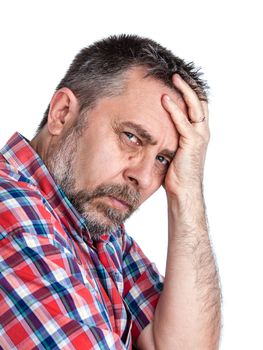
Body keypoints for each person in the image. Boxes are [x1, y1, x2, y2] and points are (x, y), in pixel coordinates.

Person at [0, 34, 221, 349]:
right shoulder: (10, 214)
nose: (144, 178)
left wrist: (187, 191)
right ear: (62, 114)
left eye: (163, 159)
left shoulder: (99, 231)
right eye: (131, 137)